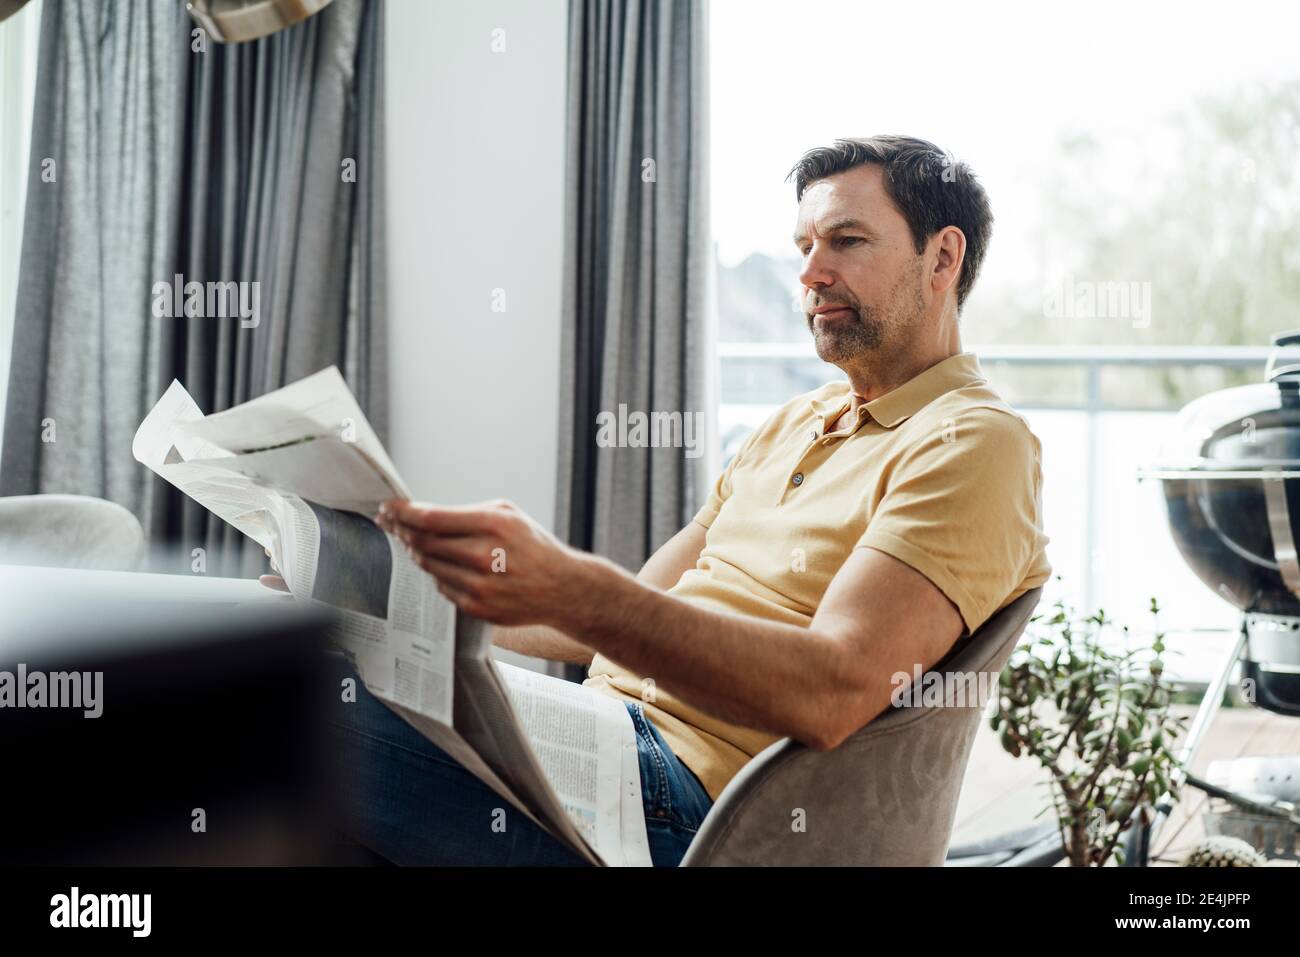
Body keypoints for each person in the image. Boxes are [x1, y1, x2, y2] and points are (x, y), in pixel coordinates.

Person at [275, 135, 1052, 866]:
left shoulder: (972, 442)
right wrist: (381, 596)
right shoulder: (795, 420)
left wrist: (579, 590)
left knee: (267, 706)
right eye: (804, 248)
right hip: (599, 737)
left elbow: (833, 689)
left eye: (846, 241)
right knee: (306, 663)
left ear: (941, 257)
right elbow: (635, 612)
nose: (811, 274)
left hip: (691, 804)